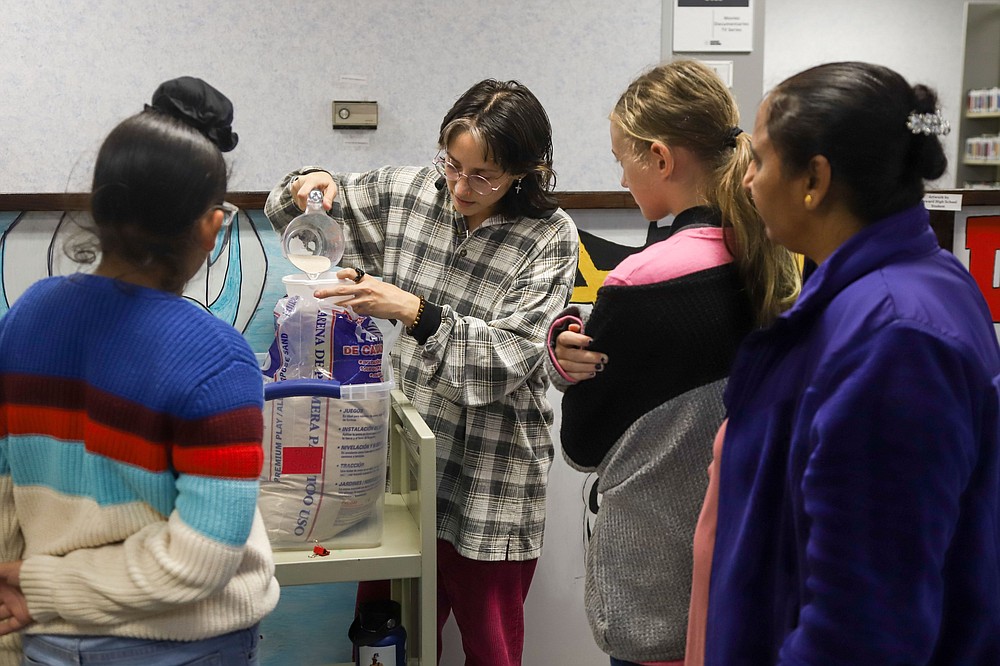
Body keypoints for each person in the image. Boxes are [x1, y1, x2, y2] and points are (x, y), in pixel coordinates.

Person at [265, 79, 578, 666]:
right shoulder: (410, 192)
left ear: (527, 170)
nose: (461, 186)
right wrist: (311, 183)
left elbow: (510, 359)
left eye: (484, 175)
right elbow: (288, 211)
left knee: (492, 647)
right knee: (386, 639)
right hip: (403, 465)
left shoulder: (551, 236)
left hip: (493, 473)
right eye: (452, 164)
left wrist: (412, 310)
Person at [702, 61, 1000, 664]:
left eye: (759, 161)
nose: (749, 182)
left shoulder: (895, 337)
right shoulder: (897, 289)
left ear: (814, 179)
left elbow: (863, 625)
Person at [0, 77, 279, 665]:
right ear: (211, 226)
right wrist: (44, 589)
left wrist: (20, 593)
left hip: (47, 639)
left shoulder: (25, 318)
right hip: (182, 644)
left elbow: (5, 492)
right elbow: (200, 558)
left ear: (99, 206)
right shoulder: (217, 357)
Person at [545, 60, 800, 666]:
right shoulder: (777, 257)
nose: (625, 180)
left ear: (660, 159)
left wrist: (567, 355)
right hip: (752, 581)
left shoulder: (639, 281)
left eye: (622, 160)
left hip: (656, 591)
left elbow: (582, 445)